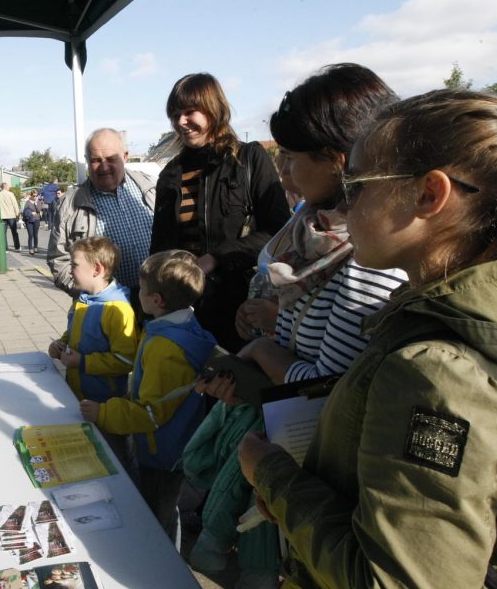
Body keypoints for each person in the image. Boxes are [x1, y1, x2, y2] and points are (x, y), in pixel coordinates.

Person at [239, 89, 497, 589]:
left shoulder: (436, 370)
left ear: (428, 196)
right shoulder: (476, 312)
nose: (344, 202)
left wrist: (274, 477)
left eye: (357, 184)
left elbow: (394, 579)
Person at [184, 63, 406, 589]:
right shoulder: (310, 225)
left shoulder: (369, 257)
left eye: (292, 156)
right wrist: (265, 329)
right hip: (289, 446)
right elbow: (299, 324)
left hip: (317, 475)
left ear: (336, 159)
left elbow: (326, 390)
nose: (282, 168)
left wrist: (260, 354)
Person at [81, 249, 215, 543]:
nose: (136, 292)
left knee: (154, 519)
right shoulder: (183, 326)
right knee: (167, 512)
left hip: (160, 454)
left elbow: (150, 413)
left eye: (142, 289)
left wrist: (103, 413)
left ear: (157, 300)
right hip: (175, 444)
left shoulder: (165, 348)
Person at [150, 73, 291, 353]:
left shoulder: (249, 159)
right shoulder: (170, 174)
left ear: (214, 109)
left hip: (239, 311)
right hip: (184, 311)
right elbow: (159, 248)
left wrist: (216, 257)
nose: (181, 122)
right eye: (175, 115)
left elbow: (279, 233)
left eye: (190, 112)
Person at [48, 236, 138, 463]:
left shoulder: (118, 310)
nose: (70, 269)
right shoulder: (82, 300)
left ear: (97, 269)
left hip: (105, 405)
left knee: (113, 456)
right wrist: (60, 344)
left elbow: (126, 360)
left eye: (75, 265)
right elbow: (72, 333)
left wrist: (83, 362)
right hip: (78, 396)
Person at [48, 128, 155, 295]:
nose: (104, 167)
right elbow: (58, 260)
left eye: (111, 159)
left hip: (156, 303)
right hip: (105, 308)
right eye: (96, 160)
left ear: (125, 156)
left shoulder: (150, 188)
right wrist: (91, 295)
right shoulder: (70, 205)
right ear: (87, 161)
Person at [0, 182, 22, 251]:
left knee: (3, 233)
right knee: (14, 232)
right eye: (8, 186)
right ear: (5, 186)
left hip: (2, 215)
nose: (9, 187)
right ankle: (17, 247)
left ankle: (5, 248)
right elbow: (14, 204)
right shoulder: (10, 194)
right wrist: (17, 212)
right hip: (11, 215)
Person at [22, 189, 43, 255]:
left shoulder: (39, 202)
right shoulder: (28, 202)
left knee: (35, 235)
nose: (35, 197)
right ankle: (30, 249)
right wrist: (31, 213)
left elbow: (39, 210)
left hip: (36, 219)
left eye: (36, 195)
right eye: (34, 196)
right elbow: (25, 211)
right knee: (30, 235)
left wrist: (36, 204)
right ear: (31, 195)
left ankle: (35, 247)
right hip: (29, 220)